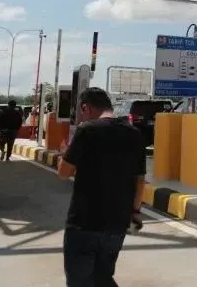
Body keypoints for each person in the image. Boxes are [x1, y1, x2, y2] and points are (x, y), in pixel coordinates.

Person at [57, 87, 146, 287]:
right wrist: (135, 211)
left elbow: (64, 173)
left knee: (80, 281)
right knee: (103, 278)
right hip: (117, 225)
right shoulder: (134, 133)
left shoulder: (86, 130)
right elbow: (140, 180)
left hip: (84, 224)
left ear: (85, 107)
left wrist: (65, 152)